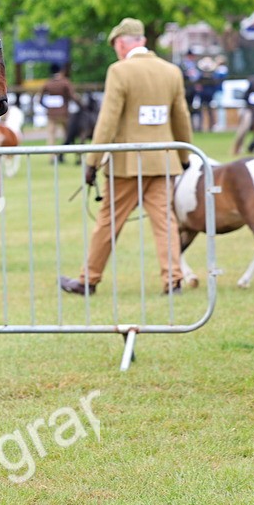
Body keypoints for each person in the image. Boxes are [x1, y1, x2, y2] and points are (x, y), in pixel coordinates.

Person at [59, 18, 193, 297]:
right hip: (162, 162)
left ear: (121, 44)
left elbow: (106, 122)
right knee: (165, 223)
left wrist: (92, 162)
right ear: (142, 41)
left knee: (108, 222)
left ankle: (88, 280)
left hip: (126, 166)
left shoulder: (119, 71)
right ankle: (174, 281)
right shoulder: (171, 71)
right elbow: (181, 118)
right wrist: (184, 156)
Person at [37, 63, 77, 154]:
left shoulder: (47, 83)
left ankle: (51, 156)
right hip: (64, 114)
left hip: (51, 114)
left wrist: (46, 107)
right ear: (61, 71)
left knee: (51, 135)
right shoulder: (65, 82)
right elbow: (72, 96)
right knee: (66, 134)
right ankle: (63, 153)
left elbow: (39, 99)